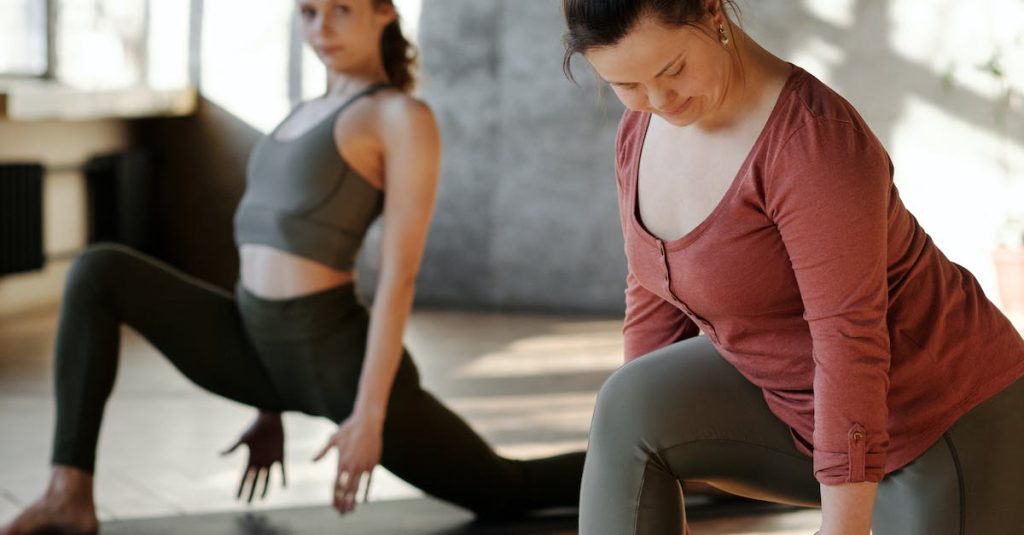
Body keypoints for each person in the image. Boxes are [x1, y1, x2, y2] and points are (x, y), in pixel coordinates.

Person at [0, 2, 585, 534]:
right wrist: (268, 406)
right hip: (253, 344)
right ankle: (67, 491)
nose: (320, 27)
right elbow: (266, 253)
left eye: (340, 10)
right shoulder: (300, 114)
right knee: (99, 269)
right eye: (308, 11)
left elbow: (399, 277)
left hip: (331, 358)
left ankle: (660, 462)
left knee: (505, 491)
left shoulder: (400, 117)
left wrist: (367, 417)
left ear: (384, 12)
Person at [561, 0, 1024, 534]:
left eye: (673, 70)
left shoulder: (811, 140)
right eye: (628, 84)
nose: (659, 101)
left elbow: (848, 338)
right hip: (791, 400)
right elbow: (651, 291)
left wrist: (841, 527)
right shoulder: (640, 131)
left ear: (713, 12)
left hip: (936, 422)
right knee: (630, 401)